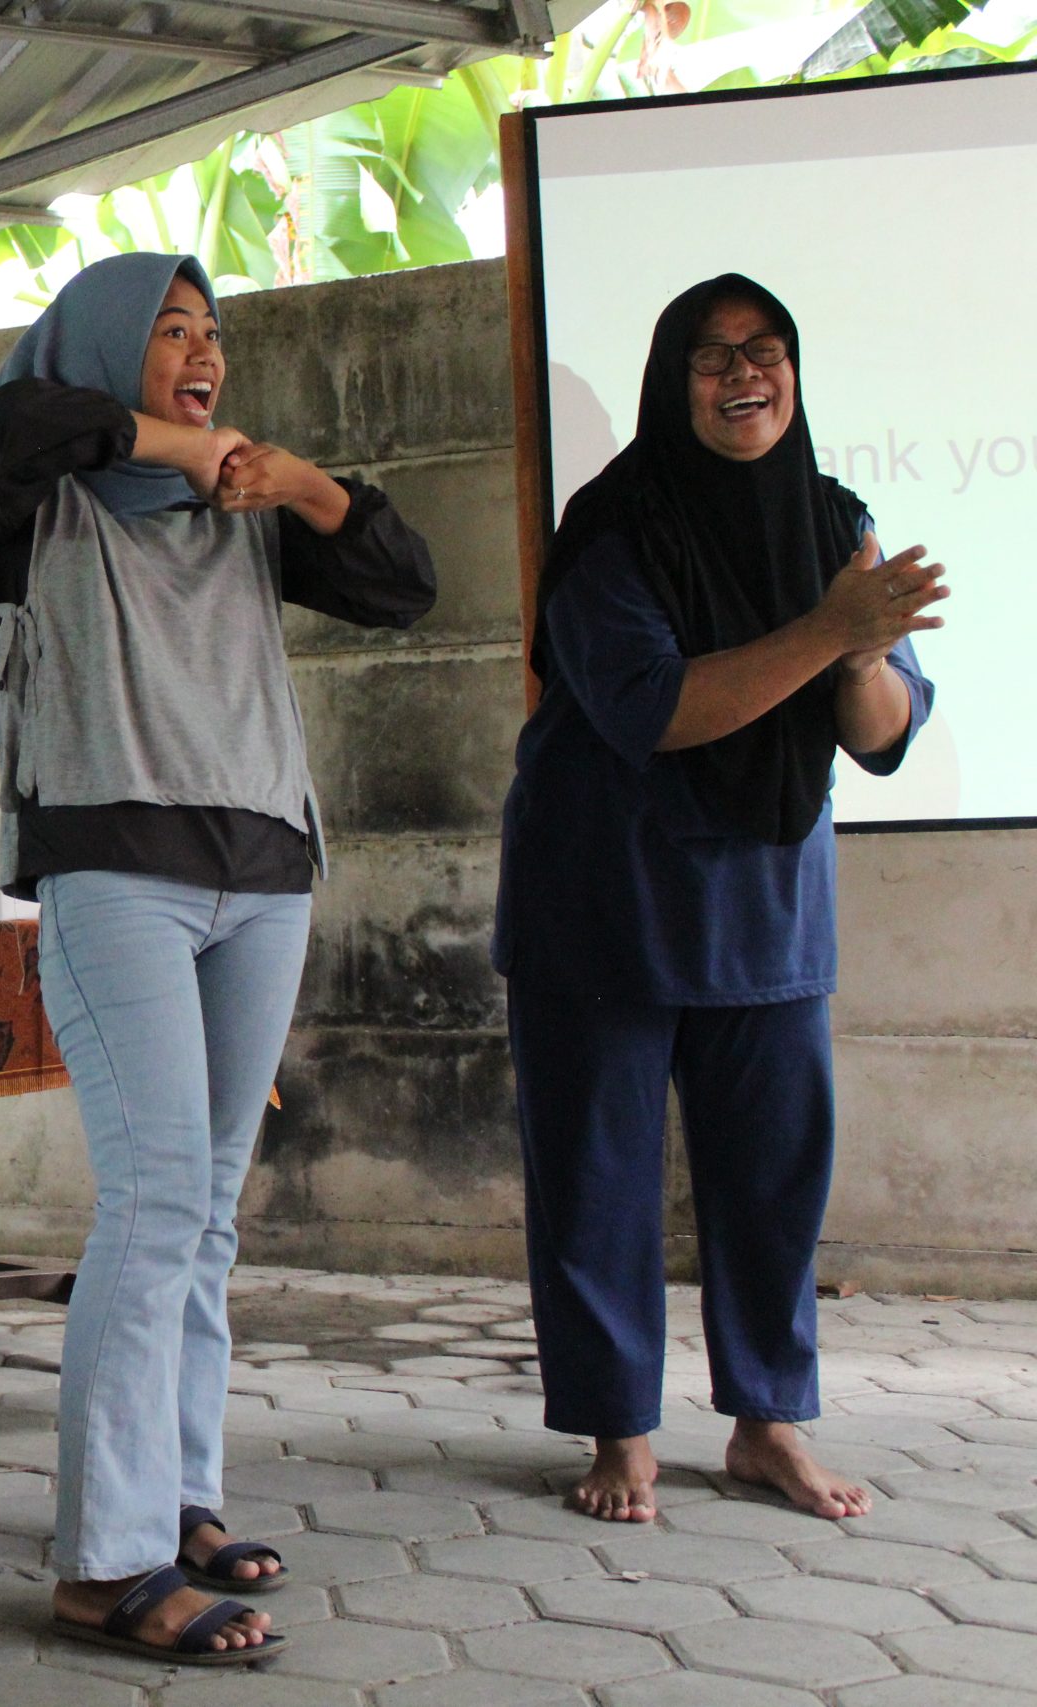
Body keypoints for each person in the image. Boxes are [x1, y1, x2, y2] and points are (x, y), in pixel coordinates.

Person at [0, 252, 434, 1663]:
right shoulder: (40, 500)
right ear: (108, 351)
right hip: (118, 875)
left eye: (212, 332)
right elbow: (11, 423)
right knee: (157, 1200)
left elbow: (404, 583)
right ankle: (106, 1563)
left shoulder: (245, 513)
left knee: (208, 1210)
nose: (201, 350)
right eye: (167, 332)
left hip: (264, 872)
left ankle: (177, 1490)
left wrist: (295, 483)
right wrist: (186, 444)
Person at [494, 275, 941, 1525]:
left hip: (768, 907)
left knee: (773, 1180)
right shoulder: (611, 527)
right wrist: (827, 626)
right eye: (709, 356)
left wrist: (857, 649)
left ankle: (765, 1423)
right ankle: (618, 1434)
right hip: (606, 899)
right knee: (597, 1178)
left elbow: (884, 727)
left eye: (764, 352)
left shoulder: (833, 519)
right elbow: (658, 709)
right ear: (667, 378)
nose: (741, 376)